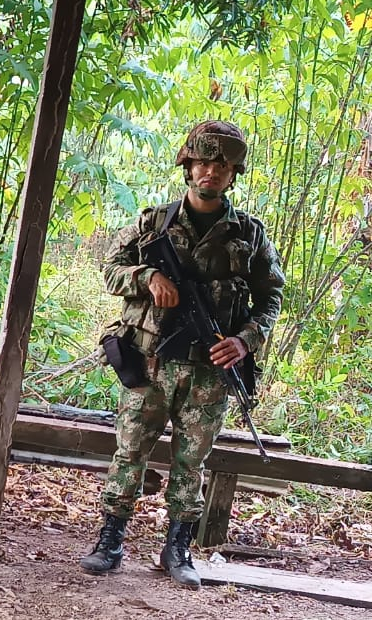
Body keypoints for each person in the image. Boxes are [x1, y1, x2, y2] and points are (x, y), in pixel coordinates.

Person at [80, 121, 285, 589]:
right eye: (203, 162)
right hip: (149, 362)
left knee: (192, 462)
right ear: (188, 166)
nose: (211, 172)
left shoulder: (250, 234)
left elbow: (271, 297)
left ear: (233, 174)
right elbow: (110, 269)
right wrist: (147, 278)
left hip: (209, 370)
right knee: (130, 452)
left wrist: (245, 340)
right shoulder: (154, 223)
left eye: (222, 166)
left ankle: (177, 548)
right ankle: (110, 541)